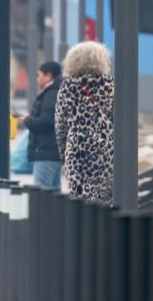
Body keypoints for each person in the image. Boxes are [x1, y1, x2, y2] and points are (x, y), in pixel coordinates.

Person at [54, 42, 115, 205]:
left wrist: (63, 154)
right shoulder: (110, 85)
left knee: (80, 199)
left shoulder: (68, 86)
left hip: (77, 149)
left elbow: (60, 124)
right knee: (104, 198)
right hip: (106, 148)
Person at [22, 61, 63, 189]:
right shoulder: (57, 91)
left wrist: (27, 120)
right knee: (54, 193)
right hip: (54, 152)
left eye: (39, 75)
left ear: (48, 76)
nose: (37, 79)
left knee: (42, 192)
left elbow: (46, 122)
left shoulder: (51, 94)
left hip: (46, 151)